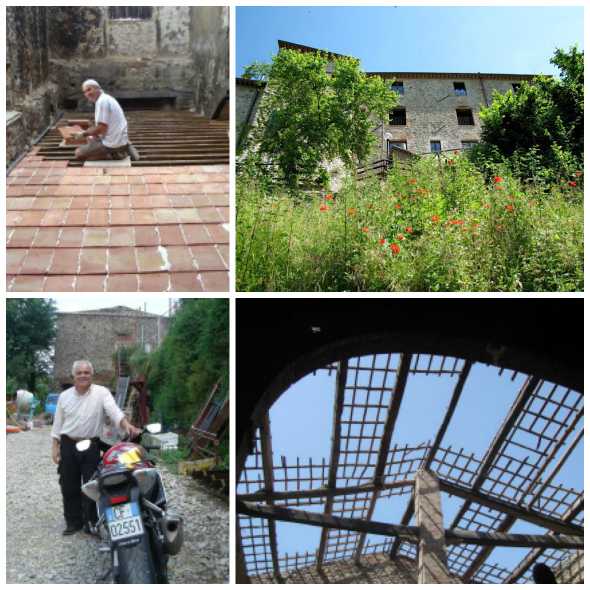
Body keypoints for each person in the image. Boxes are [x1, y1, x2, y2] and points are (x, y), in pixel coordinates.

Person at [51, 359, 142, 535]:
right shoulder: (65, 396)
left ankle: (91, 522)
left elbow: (114, 412)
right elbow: (58, 423)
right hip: (69, 443)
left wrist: (127, 426)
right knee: (68, 484)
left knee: (92, 485)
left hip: (91, 443)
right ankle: (73, 522)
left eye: (86, 373)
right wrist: (54, 446)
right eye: (79, 373)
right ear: (74, 376)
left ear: (92, 375)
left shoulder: (102, 393)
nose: (83, 376)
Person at [73, 79, 140, 162]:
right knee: (91, 138)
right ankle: (123, 147)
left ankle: (115, 154)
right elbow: (103, 127)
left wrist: (83, 134)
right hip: (119, 140)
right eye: (85, 92)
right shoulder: (106, 98)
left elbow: (101, 128)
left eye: (89, 89)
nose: (87, 94)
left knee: (78, 154)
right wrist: (93, 135)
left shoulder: (102, 101)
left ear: (97, 88)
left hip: (112, 144)